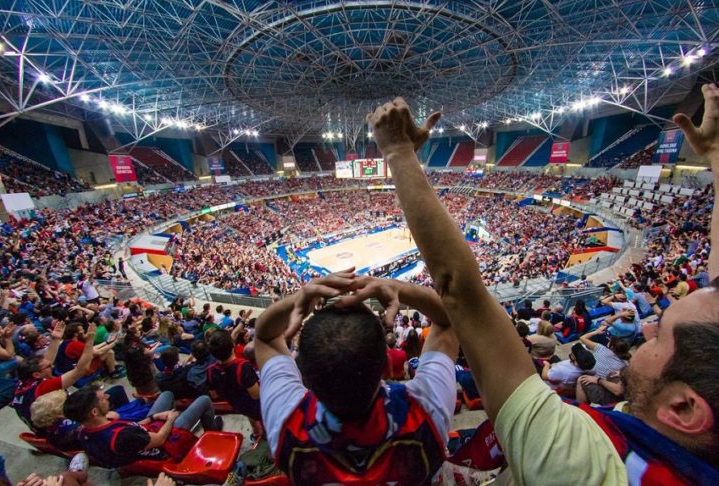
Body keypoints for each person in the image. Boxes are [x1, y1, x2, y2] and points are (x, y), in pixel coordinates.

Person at [366, 91, 719, 483]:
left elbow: (459, 289)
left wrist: (397, 152)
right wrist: (716, 156)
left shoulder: (581, 461)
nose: (647, 327)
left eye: (660, 335)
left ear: (685, 408)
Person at [255, 272, 458, 484]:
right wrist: (398, 287)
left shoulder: (286, 423)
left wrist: (297, 299)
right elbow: (448, 321)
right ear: (388, 367)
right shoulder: (426, 411)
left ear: (304, 376)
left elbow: (265, 337)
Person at [63, 385, 222, 467]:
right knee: (204, 400)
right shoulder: (121, 437)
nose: (108, 396)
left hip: (145, 432)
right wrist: (170, 419)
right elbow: (159, 439)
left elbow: (132, 426)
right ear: (94, 412)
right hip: (163, 443)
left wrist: (154, 417)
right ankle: (214, 436)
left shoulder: (84, 432)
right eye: (102, 398)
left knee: (166, 394)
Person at [12, 322, 97, 429]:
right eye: (49, 367)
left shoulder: (24, 383)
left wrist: (55, 340)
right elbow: (81, 370)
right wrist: (89, 341)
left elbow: (46, 361)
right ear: (37, 374)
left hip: (42, 428)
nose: (52, 366)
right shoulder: (42, 387)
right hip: (64, 428)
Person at [206, 330, 264, 439]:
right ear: (232, 346)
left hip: (237, 404)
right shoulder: (243, 367)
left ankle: (256, 433)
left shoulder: (210, 371)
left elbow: (214, 395)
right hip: (256, 406)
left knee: (250, 415)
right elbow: (256, 395)